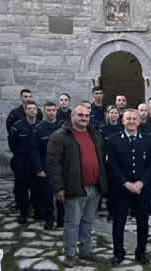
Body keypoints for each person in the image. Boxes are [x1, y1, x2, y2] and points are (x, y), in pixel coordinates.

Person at [47, 103, 109, 268]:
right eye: (80, 115)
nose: (84, 118)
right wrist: (58, 188)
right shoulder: (59, 136)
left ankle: (86, 251)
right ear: (72, 116)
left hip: (94, 187)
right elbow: (53, 165)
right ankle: (70, 254)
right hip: (74, 187)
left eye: (86, 116)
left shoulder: (94, 134)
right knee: (72, 223)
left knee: (88, 222)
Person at [106, 109, 151, 265]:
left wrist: (142, 182)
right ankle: (118, 253)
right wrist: (126, 183)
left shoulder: (148, 139)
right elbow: (112, 165)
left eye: (134, 119)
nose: (131, 121)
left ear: (139, 121)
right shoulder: (113, 140)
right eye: (128, 119)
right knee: (119, 223)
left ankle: (141, 253)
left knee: (143, 223)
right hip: (121, 189)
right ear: (123, 121)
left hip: (141, 189)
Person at [32, 102, 65, 229]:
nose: (51, 112)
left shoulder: (62, 126)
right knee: (47, 196)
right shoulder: (39, 128)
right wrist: (39, 169)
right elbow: (34, 150)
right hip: (46, 167)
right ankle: (49, 220)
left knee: (61, 195)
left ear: (56, 111)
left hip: (61, 167)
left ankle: (61, 220)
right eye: (48, 110)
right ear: (44, 112)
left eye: (53, 110)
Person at [10, 101, 41, 224]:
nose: (32, 110)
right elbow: (12, 143)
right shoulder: (17, 126)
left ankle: (37, 211)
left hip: (36, 163)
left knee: (37, 188)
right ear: (25, 111)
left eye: (34, 108)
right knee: (21, 189)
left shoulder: (40, 125)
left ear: (37, 111)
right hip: (21, 163)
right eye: (29, 108)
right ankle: (23, 214)